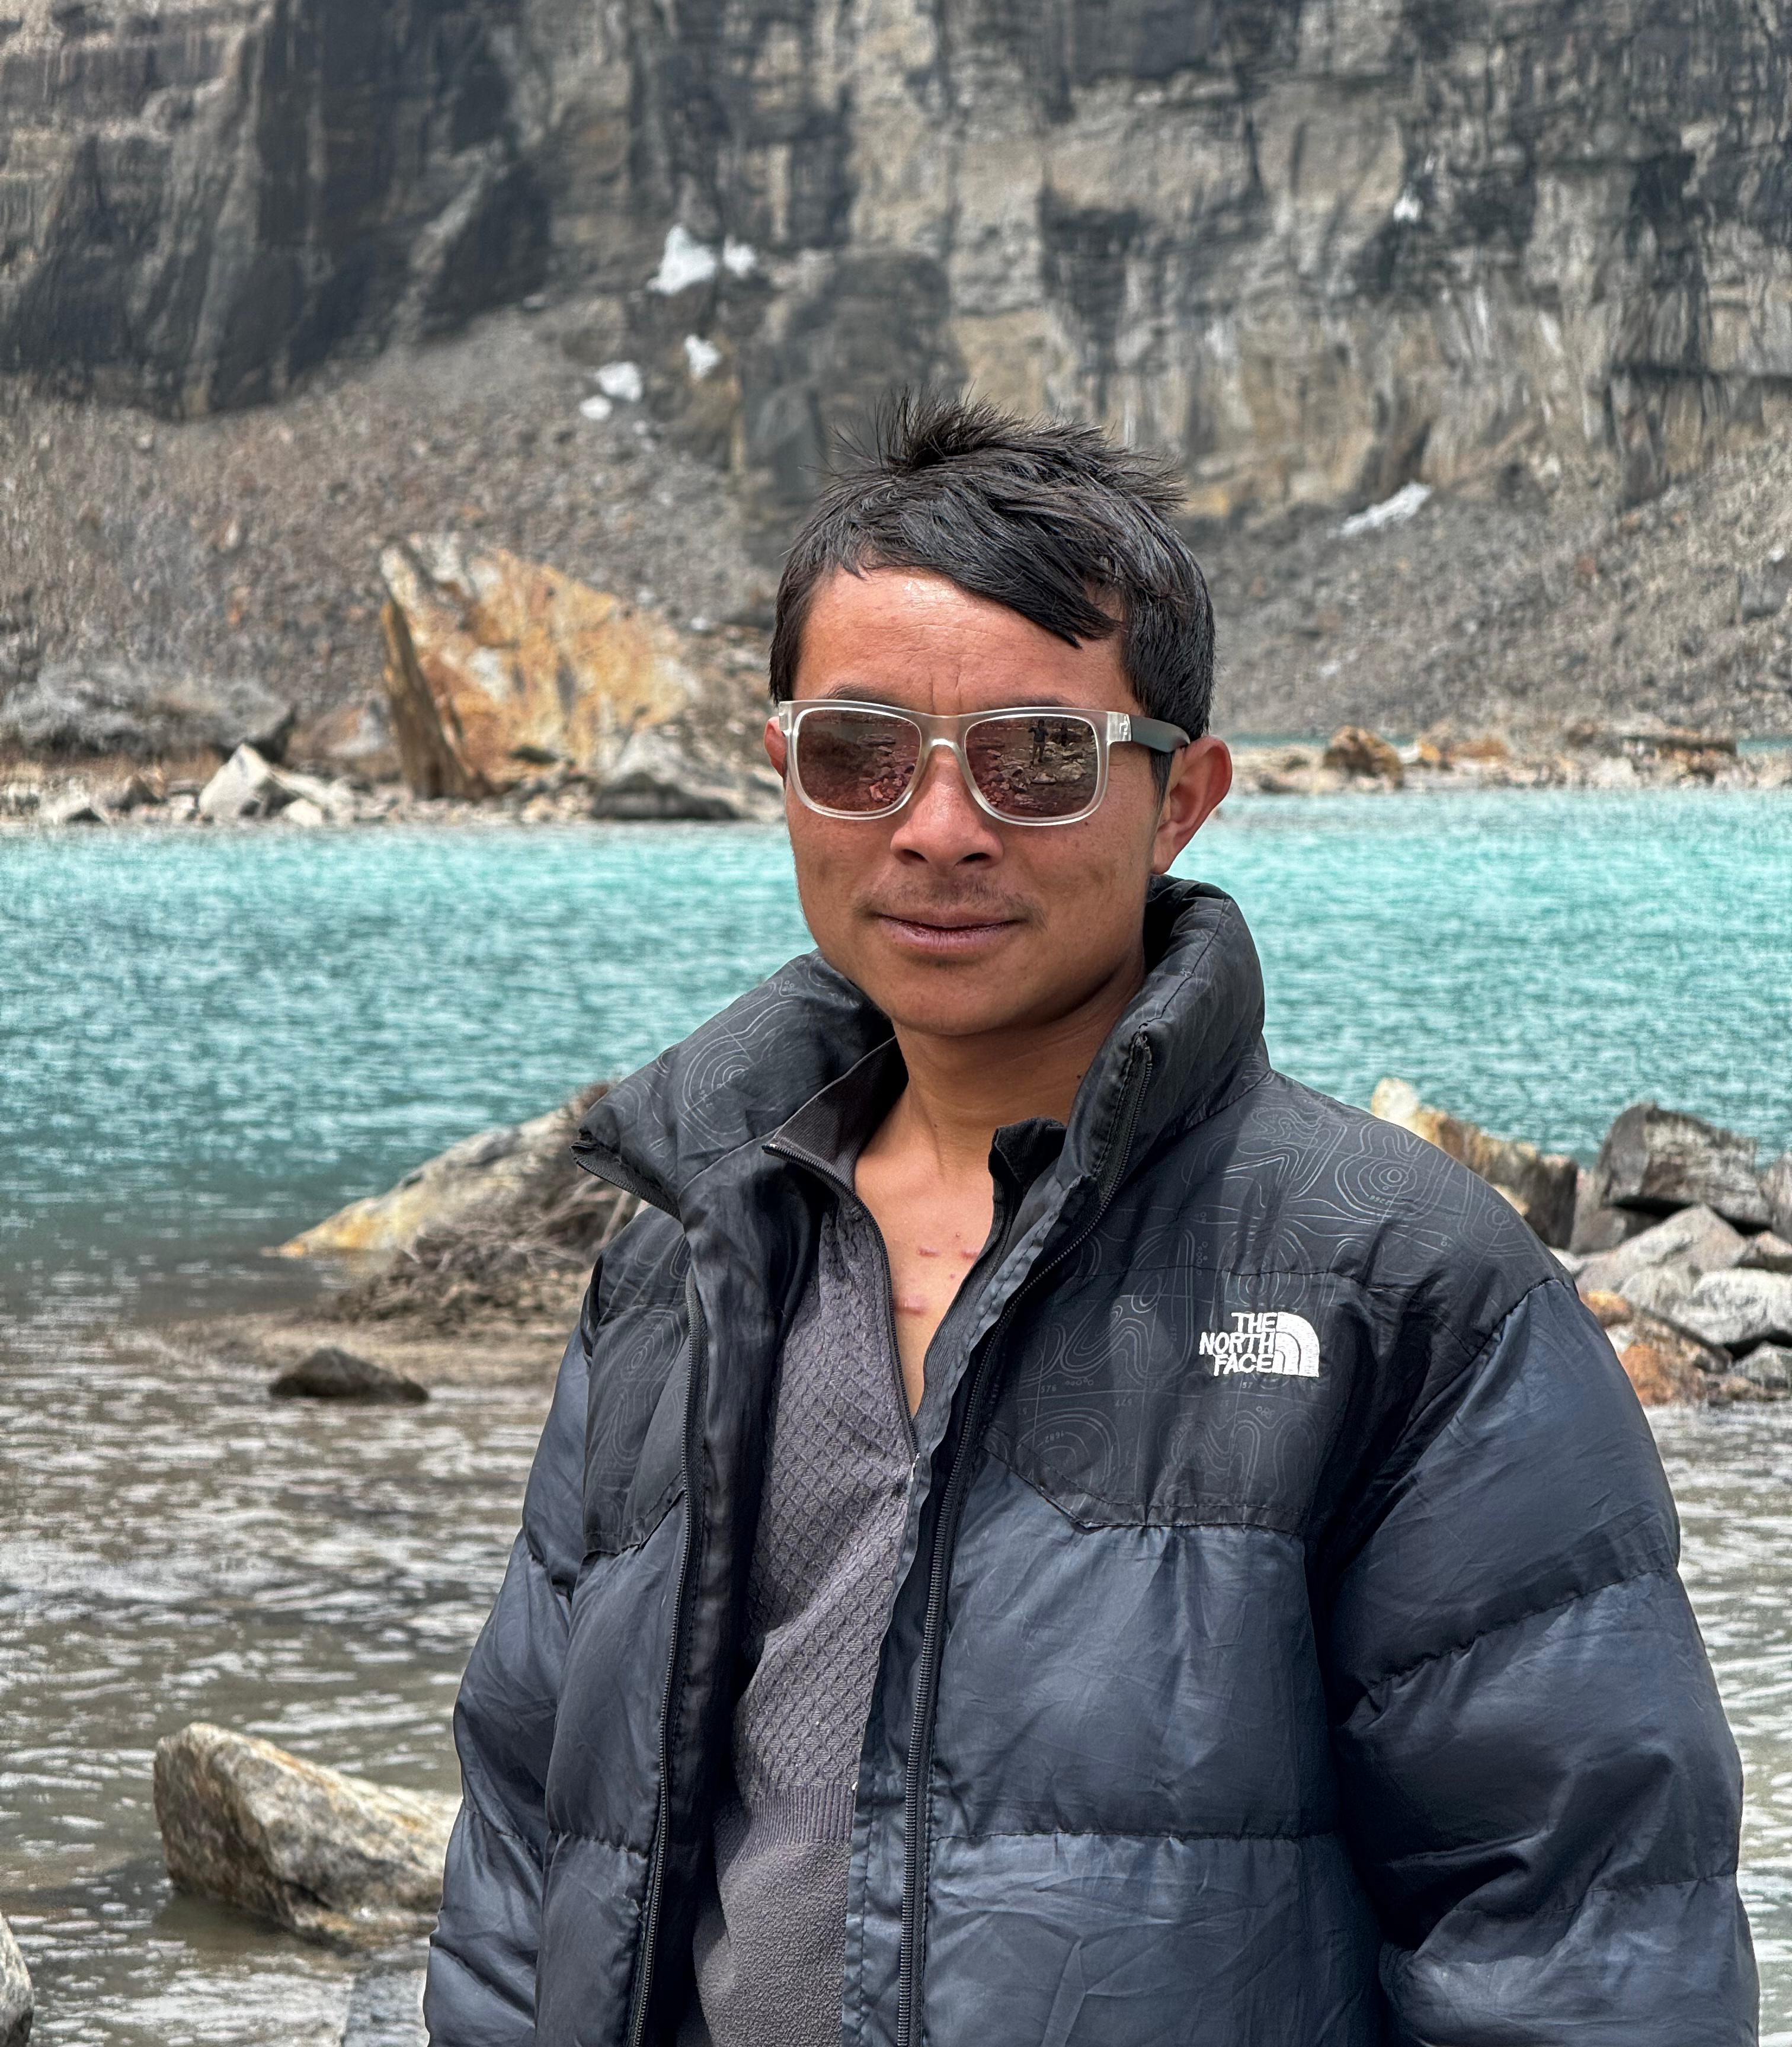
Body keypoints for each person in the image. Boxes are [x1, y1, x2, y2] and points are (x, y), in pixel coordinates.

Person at [425, 399, 1755, 2047]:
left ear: (1183, 796)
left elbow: (1583, 1929)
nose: (935, 829)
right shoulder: (683, 1260)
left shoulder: (1397, 1282)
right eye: (859, 753)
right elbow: (527, 1848)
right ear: (782, 774)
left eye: (1041, 758)